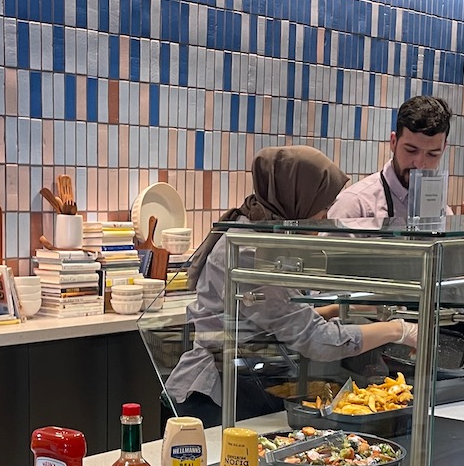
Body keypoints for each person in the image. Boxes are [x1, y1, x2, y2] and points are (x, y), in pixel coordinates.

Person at [165, 145, 420, 427]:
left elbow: (277, 320)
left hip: (244, 385)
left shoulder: (258, 228)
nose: (325, 219)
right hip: (211, 398)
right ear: (297, 198)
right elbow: (315, 339)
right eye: (322, 208)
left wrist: (340, 308)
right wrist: (399, 330)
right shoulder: (250, 250)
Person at [329, 95, 452, 220]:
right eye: (411, 150)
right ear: (393, 142)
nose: (420, 165)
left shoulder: (441, 211)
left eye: (432, 154)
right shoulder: (355, 206)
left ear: (444, 149)